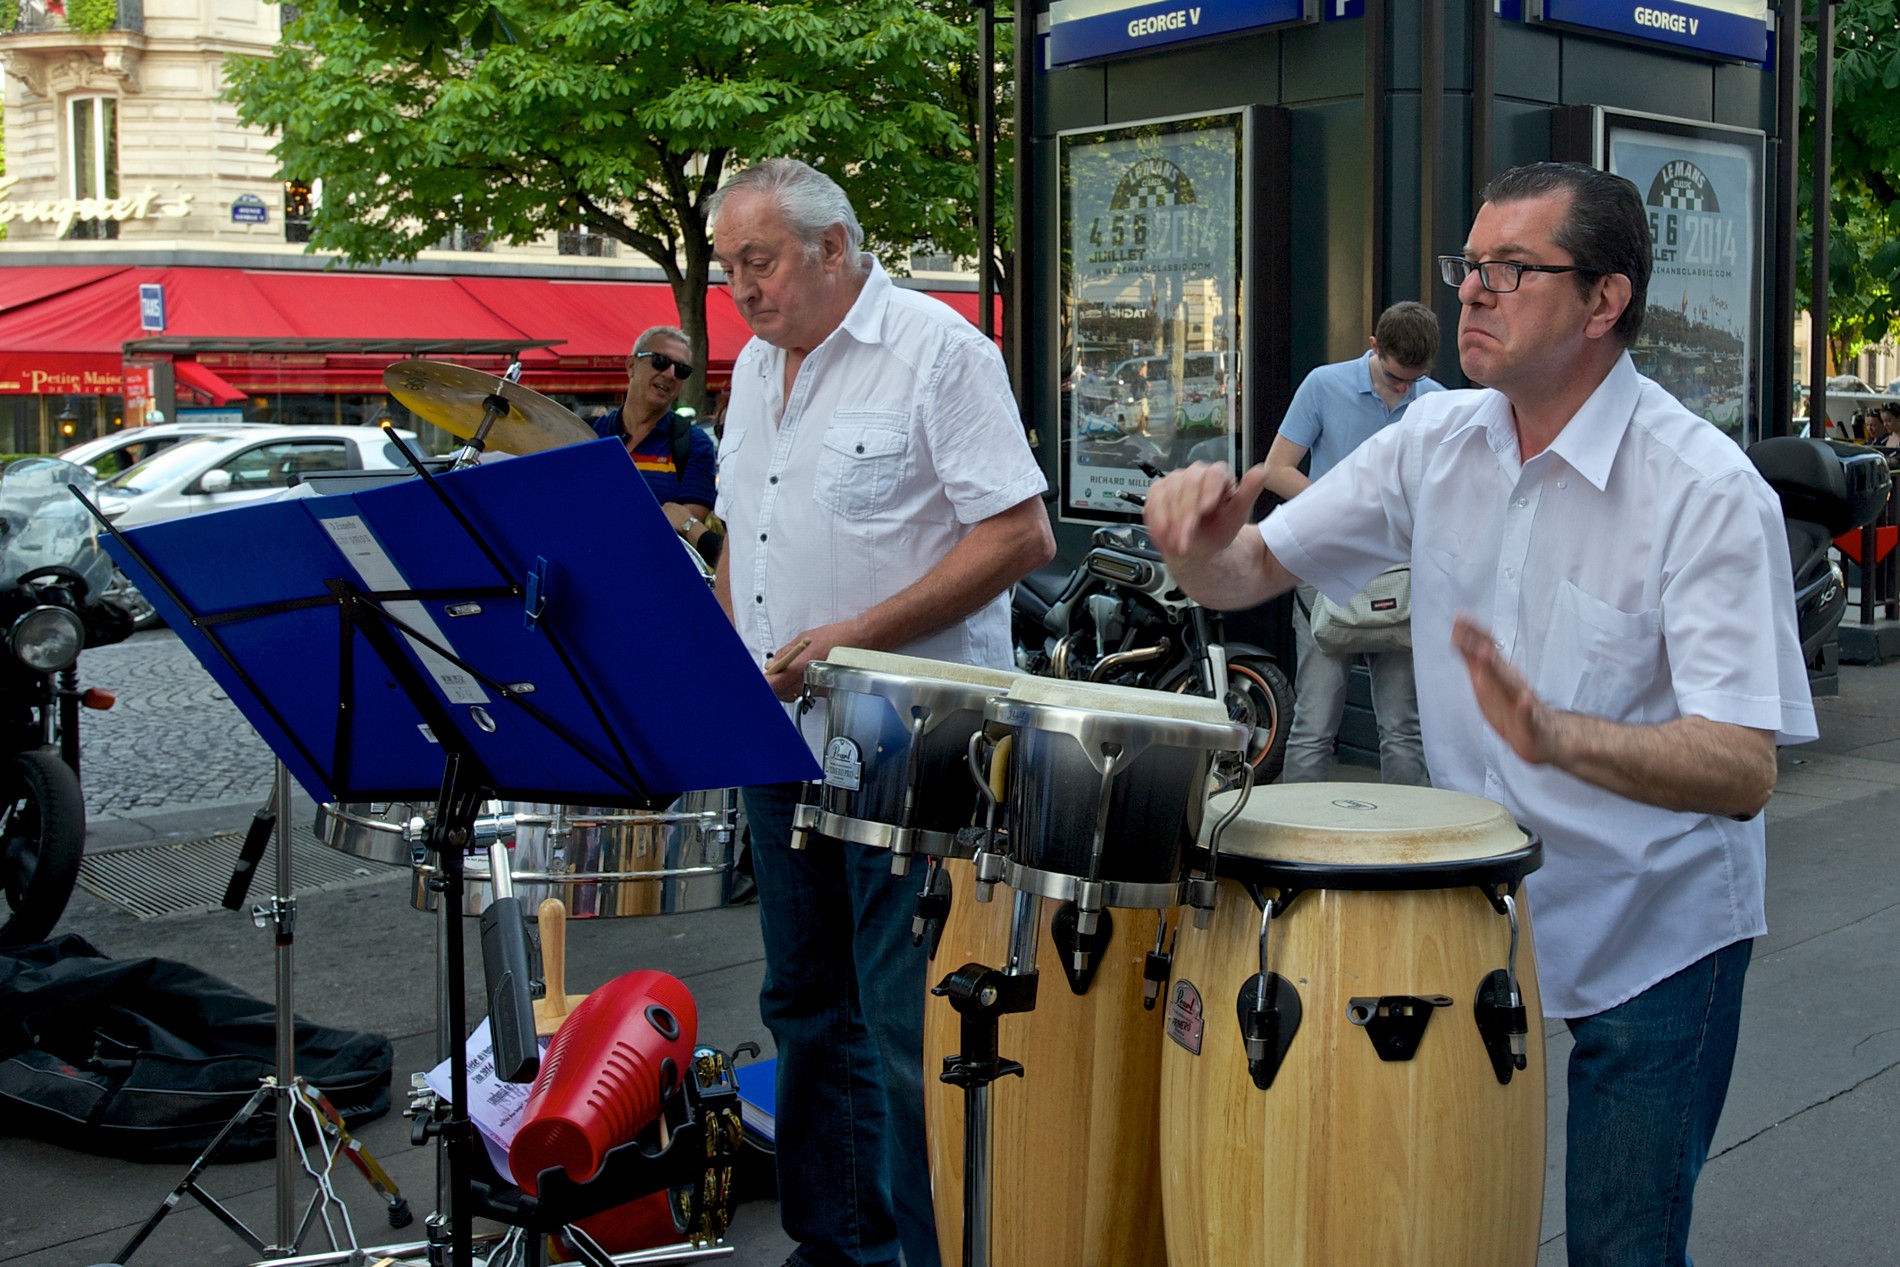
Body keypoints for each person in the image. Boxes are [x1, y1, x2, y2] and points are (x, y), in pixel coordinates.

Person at [1143, 161, 1813, 1267]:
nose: (1471, 292)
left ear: (1604, 302)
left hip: (1656, 925)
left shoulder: (1702, 487)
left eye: (1512, 269)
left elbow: (1743, 767)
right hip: (1476, 906)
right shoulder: (1437, 440)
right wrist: (1197, 548)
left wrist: (1556, 737)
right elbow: (1253, 571)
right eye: (1468, 266)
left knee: (1621, 1242)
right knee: (1429, 1218)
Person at [707, 157, 1054, 1267]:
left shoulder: (939, 351)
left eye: (757, 262)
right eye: (727, 271)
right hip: (781, 737)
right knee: (802, 1003)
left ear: (833, 248)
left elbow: (1019, 536)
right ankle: (833, 1244)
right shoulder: (756, 371)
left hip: (910, 735)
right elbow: (742, 540)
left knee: (903, 1025)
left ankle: (922, 1252)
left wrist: (857, 634)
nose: (744, 291)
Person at [1262, 300, 1443, 785]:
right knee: (1315, 724)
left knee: (1403, 729)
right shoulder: (1324, 384)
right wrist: (1343, 505)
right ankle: (1300, 844)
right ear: (1373, 348)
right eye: (1394, 377)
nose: (1405, 389)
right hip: (1324, 568)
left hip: (1401, 577)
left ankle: (1407, 852)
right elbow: (1275, 471)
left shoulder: (1436, 400)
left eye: (1414, 380)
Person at [591, 324, 724, 565]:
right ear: (631, 365)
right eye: (660, 361)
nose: (671, 374)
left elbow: (683, 533)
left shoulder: (694, 444)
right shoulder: (587, 433)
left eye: (682, 370)